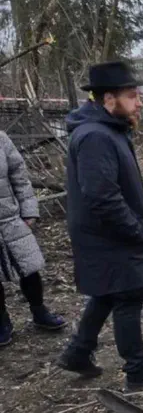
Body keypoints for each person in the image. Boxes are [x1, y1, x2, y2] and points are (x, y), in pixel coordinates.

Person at [56, 60, 143, 389]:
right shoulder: (95, 137)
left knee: (107, 294)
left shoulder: (106, 130)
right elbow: (102, 196)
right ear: (109, 99)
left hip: (105, 235)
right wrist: (135, 229)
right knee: (128, 298)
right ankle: (138, 372)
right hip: (111, 235)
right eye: (132, 95)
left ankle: (78, 352)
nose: (140, 101)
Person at [0, 133, 66, 346]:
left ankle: (39, 311)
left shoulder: (0, 139)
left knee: (28, 268)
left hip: (10, 218)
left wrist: (29, 211)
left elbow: (19, 175)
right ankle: (2, 322)